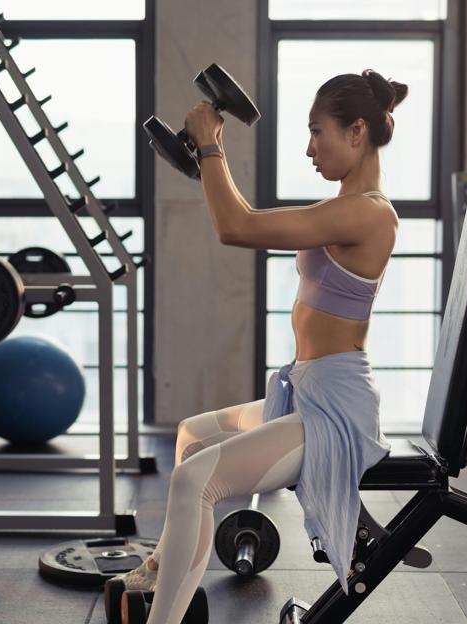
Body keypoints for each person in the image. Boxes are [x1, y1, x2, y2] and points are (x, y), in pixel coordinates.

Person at [116, 68, 408, 623]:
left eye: (317, 131)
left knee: (194, 481)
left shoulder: (368, 213)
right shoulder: (344, 206)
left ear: (357, 132)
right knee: (192, 437)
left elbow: (238, 227)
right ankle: (162, 567)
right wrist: (206, 157)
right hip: (305, 388)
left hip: (334, 410)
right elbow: (241, 219)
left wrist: (208, 146)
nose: (308, 148)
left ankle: (163, 615)